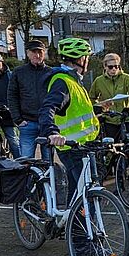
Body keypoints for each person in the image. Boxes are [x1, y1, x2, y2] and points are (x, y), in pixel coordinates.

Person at [38, 38, 101, 197]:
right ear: (80, 59)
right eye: (87, 58)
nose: (88, 61)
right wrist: (51, 132)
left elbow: (75, 108)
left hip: (81, 146)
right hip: (70, 148)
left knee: (76, 191)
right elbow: (48, 108)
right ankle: (82, 221)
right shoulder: (63, 81)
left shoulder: (73, 80)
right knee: (87, 194)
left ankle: (68, 219)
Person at [88, 53, 129, 142]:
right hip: (109, 120)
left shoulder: (126, 78)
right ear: (105, 67)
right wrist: (100, 107)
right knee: (111, 148)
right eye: (110, 67)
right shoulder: (99, 81)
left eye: (116, 66)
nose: (114, 69)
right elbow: (91, 98)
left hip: (127, 117)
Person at [8, 40, 52, 158]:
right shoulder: (18, 72)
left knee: (49, 163)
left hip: (47, 123)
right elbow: (12, 96)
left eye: (40, 52)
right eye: (34, 52)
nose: (37, 55)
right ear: (27, 53)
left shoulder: (51, 73)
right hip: (27, 122)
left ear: (44, 53)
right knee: (26, 161)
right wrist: (18, 119)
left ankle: (46, 177)